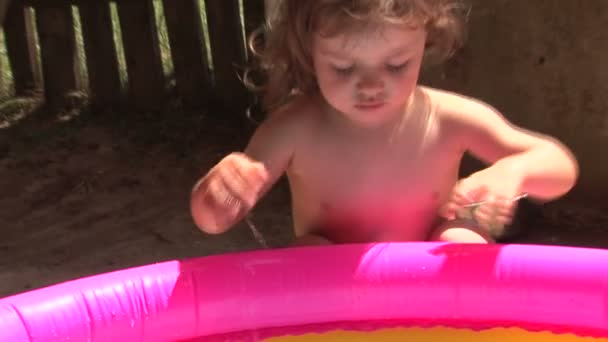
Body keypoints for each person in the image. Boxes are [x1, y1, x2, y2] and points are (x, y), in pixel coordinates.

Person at [190, 0, 579, 245]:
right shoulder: (294, 130)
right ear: (309, 52)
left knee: (462, 239)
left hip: (429, 293)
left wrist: (513, 171)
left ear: (425, 41)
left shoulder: (446, 119)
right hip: (336, 300)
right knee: (309, 253)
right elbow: (212, 222)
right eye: (343, 68)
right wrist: (222, 190)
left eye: (397, 64)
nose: (372, 86)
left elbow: (559, 166)